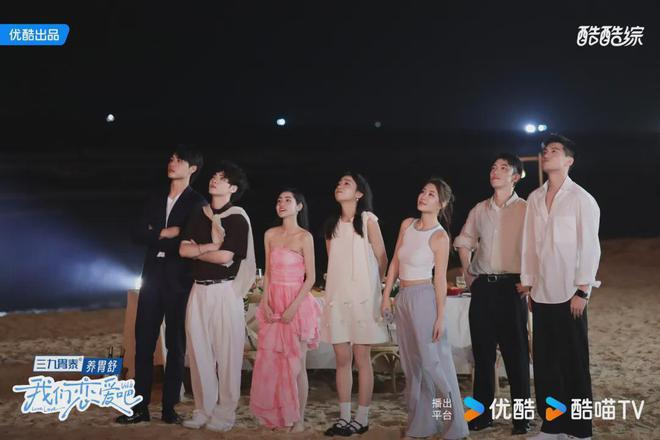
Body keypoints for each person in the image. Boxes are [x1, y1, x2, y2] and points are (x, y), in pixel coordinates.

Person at [116, 145, 205, 425]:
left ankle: (169, 409)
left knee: (176, 345)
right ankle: (140, 407)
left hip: (180, 279)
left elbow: (189, 241)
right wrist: (167, 233)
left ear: (192, 168)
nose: (173, 163)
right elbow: (136, 233)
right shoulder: (155, 197)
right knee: (143, 341)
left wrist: (157, 234)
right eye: (171, 158)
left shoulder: (197, 202)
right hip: (152, 276)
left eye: (180, 160)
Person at [521, 134, 601, 440]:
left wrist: (583, 290)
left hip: (570, 293)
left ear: (569, 160)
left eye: (554, 150)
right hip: (541, 292)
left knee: (574, 364)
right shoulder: (534, 198)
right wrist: (529, 284)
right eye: (545, 150)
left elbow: (590, 247)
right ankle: (553, 426)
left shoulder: (581, 199)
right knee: (546, 365)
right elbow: (529, 245)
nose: (546, 153)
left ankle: (580, 430)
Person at [381, 178, 469, 440]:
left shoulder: (440, 236)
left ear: (442, 203)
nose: (423, 196)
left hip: (424, 298)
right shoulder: (407, 225)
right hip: (403, 297)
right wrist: (386, 296)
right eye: (423, 191)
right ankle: (422, 425)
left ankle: (454, 425)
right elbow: (395, 263)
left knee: (433, 364)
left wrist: (440, 316)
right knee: (412, 365)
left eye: (431, 194)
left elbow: (439, 279)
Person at [453, 153, 531, 435]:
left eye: (503, 168)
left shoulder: (526, 208)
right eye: (493, 167)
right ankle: (481, 416)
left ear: (516, 177)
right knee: (483, 355)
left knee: (516, 355)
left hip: (512, 287)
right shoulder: (480, 209)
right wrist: (468, 274)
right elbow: (464, 241)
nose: (495, 171)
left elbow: (536, 247)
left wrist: (530, 281)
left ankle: (522, 418)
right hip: (483, 286)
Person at [178, 161, 256, 432]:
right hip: (198, 289)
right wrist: (210, 246)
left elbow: (225, 258)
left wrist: (199, 250)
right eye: (214, 176)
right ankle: (203, 410)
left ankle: (225, 413)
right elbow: (183, 250)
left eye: (222, 178)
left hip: (225, 290)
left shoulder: (237, 218)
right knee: (199, 353)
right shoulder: (199, 214)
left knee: (228, 355)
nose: (215, 180)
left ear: (232, 188)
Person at [322, 172, 389, 437]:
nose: (340, 186)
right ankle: (344, 417)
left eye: (346, 183)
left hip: (364, 298)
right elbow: (333, 262)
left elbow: (382, 256)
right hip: (338, 297)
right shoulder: (332, 225)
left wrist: (375, 289)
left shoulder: (367, 219)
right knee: (342, 358)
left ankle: (362, 418)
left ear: (359, 193)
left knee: (362, 358)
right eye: (339, 183)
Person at [249, 189, 321, 432]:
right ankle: (280, 415)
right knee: (274, 362)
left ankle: (299, 418)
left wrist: (293, 307)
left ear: (299, 206)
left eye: (288, 200)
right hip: (274, 301)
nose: (281, 204)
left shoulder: (305, 237)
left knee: (297, 363)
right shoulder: (270, 234)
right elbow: (268, 272)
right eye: (279, 200)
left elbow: (311, 277)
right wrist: (265, 301)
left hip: (297, 302)